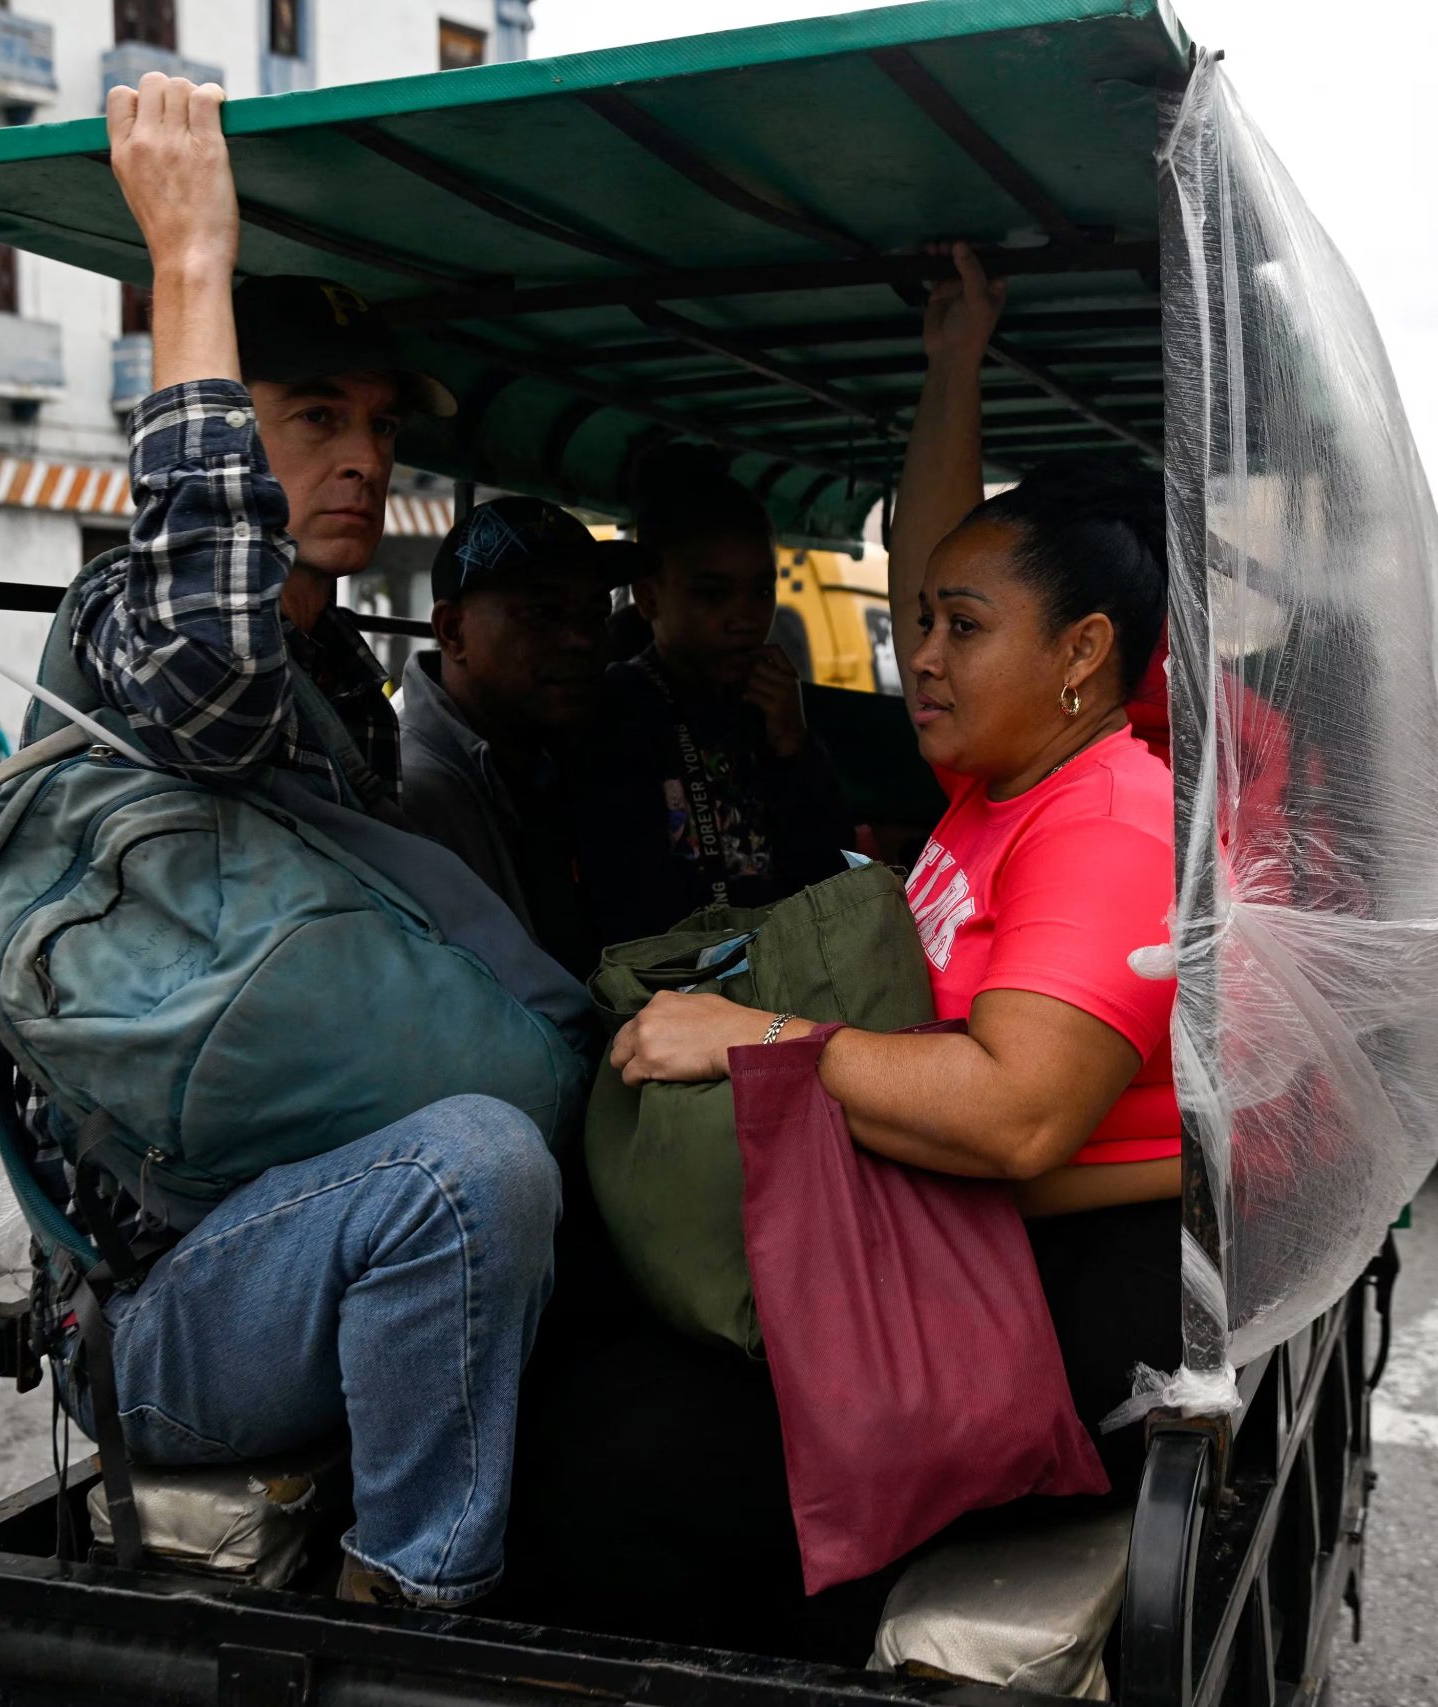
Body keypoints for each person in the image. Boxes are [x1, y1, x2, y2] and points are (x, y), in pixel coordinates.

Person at [509, 244, 1179, 1654]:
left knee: (607, 1456)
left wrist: (754, 1039)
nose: (919, 653)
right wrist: (954, 364)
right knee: (575, 1337)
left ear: (1082, 654)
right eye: (917, 619)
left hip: (1037, 1306)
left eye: (960, 628)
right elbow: (948, 537)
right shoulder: (1000, 789)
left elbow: (1015, 1111)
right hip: (929, 1248)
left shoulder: (1109, 811)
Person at [64, 71, 562, 1611]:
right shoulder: (141, 629)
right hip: (176, 1297)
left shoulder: (335, 667)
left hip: (315, 1210)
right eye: (315, 419)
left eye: (378, 427)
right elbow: (213, 670)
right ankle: (403, 1612)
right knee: (470, 1166)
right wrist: (190, 269)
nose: (364, 457)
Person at [577, 452, 854, 947]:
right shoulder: (618, 710)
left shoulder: (773, 711)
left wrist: (793, 748)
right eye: (712, 594)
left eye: (761, 591)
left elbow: (834, 877)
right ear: (649, 598)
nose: (744, 618)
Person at [400, 496, 612, 981]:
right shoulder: (410, 797)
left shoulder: (556, 757)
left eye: (595, 616)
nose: (581, 640)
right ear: (452, 632)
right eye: (542, 613)